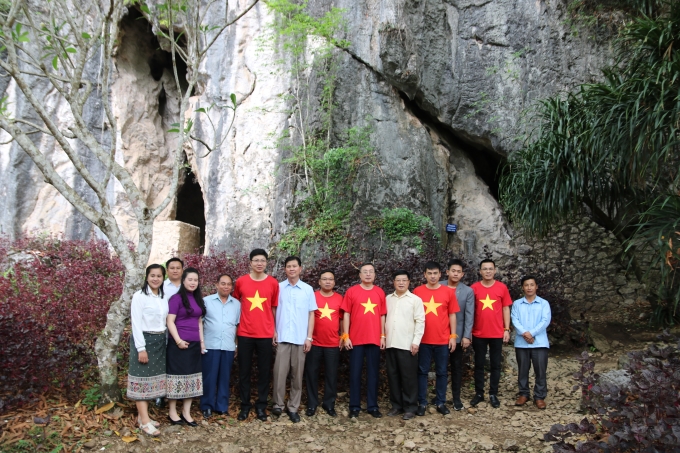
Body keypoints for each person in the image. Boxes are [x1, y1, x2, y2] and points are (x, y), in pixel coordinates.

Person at [233, 249, 279, 422]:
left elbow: (274, 308)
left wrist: (274, 330)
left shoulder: (273, 283)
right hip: (245, 333)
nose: (259, 263)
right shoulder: (241, 282)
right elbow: (236, 306)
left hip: (265, 334)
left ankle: (261, 406)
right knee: (244, 371)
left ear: (267, 263)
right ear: (250, 262)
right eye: (256, 260)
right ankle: (245, 406)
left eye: (263, 260)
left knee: (264, 372)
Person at [271, 256, 317, 423]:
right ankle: (278, 404)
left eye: (294, 266)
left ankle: (293, 407)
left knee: (297, 376)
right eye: (288, 266)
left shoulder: (307, 289)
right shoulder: (278, 287)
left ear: (300, 268)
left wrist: (309, 337)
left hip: (300, 338)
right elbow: (274, 309)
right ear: (285, 269)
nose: (292, 269)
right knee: (279, 373)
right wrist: (274, 330)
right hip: (282, 336)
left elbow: (312, 314)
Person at [413, 261, 460, 416]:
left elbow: (452, 314)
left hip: (442, 340)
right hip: (423, 340)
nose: (432, 276)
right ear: (424, 275)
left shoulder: (448, 292)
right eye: (429, 273)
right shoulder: (417, 291)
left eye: (435, 273)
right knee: (422, 372)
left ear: (440, 274)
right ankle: (422, 403)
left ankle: (441, 402)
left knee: (442, 372)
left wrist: (453, 336)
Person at [341, 263, 387, 419]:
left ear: (374, 275)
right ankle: (354, 406)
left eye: (371, 272)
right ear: (359, 275)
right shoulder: (352, 291)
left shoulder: (380, 292)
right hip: (356, 339)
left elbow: (382, 315)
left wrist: (383, 336)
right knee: (355, 373)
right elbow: (346, 314)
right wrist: (345, 335)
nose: (368, 274)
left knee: (373, 373)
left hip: (374, 339)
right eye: (365, 272)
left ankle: (372, 406)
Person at [127, 264, 168, 436]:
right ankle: (144, 423)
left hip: (159, 342)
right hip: (144, 341)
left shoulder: (162, 297)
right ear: (147, 277)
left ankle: (143, 417)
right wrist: (141, 348)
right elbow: (136, 324)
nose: (155, 279)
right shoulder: (140, 296)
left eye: (159, 276)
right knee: (141, 380)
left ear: (162, 278)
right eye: (152, 275)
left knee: (151, 381)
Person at [469, 259, 512, 408]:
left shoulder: (502, 287)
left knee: (495, 365)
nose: (487, 271)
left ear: (495, 271)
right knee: (479, 364)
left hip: (497, 333)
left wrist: (506, 329)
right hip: (478, 333)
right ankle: (479, 393)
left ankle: (493, 393)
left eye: (490, 269)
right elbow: (469, 311)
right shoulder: (473, 288)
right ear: (480, 271)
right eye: (484, 269)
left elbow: (506, 308)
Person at [166, 267, 206, 427]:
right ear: (183, 281)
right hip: (178, 345)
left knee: (192, 378)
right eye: (190, 279)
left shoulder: (197, 299)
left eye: (195, 280)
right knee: (176, 378)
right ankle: (172, 411)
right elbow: (170, 321)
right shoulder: (176, 299)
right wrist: (178, 340)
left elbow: (199, 322)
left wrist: (202, 342)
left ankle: (186, 412)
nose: (193, 282)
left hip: (194, 345)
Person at [385, 270, 425, 420]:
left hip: (407, 344)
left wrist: (416, 342)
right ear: (393, 282)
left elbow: (420, 321)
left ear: (409, 282)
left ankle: (410, 407)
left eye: (404, 280)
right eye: (398, 280)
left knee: (408, 377)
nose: (401, 283)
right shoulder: (388, 299)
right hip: (390, 343)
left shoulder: (415, 300)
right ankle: (397, 405)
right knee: (393, 375)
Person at [200, 274, 241, 419]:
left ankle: (222, 406)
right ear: (216, 285)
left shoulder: (236, 304)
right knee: (209, 377)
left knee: (224, 377)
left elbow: (236, 325)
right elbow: (200, 322)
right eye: (223, 283)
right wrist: (201, 342)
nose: (226, 286)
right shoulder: (206, 301)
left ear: (232, 287)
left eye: (229, 284)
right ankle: (207, 406)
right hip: (211, 345)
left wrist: (236, 344)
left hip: (228, 346)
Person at [304, 269, 343, 417]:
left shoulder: (340, 298)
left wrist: (343, 336)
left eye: (330, 279)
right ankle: (312, 404)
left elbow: (342, 318)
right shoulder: (312, 296)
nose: (327, 281)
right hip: (314, 342)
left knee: (331, 375)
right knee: (311, 374)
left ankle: (329, 404)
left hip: (333, 343)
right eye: (324, 279)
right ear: (319, 281)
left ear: (334, 282)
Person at [512, 275, 551, 410]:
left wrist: (532, 333)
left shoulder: (544, 303)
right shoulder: (517, 304)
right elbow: (515, 320)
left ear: (536, 287)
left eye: (532, 285)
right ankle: (523, 394)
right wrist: (525, 334)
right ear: (523, 287)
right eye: (526, 285)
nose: (529, 287)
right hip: (521, 343)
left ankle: (539, 396)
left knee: (540, 370)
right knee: (522, 369)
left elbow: (545, 321)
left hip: (539, 343)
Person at [442, 259, 475, 411]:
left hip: (459, 334)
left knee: (456, 367)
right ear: (447, 271)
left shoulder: (467, 291)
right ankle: (439, 397)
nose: (455, 274)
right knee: (440, 368)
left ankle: (456, 398)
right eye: (453, 271)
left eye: (458, 272)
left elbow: (469, 315)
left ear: (462, 274)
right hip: (439, 334)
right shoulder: (438, 286)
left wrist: (467, 336)